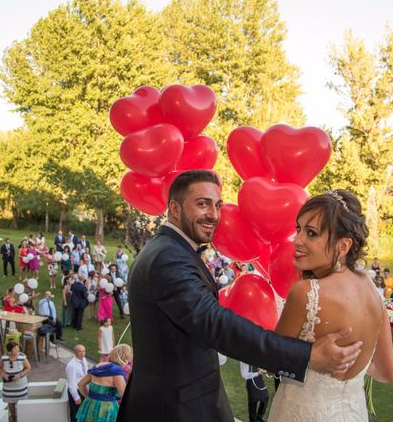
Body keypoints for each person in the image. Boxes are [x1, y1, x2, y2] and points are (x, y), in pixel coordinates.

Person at [117, 171, 364, 422]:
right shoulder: (168, 259)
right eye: (202, 204)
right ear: (175, 208)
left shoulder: (167, 249)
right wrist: (306, 355)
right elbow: (217, 325)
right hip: (177, 408)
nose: (213, 214)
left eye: (217, 205)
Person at [268, 189, 393, 422]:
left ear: (343, 245)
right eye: (299, 229)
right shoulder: (370, 288)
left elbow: (271, 364)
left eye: (312, 233)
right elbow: (388, 373)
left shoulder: (306, 293)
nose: (297, 240)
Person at [77, 344, 130, 422]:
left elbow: (80, 384)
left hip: (89, 404)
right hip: (106, 410)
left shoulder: (98, 367)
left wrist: (89, 396)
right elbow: (125, 396)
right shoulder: (116, 373)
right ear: (125, 359)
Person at [0, 341, 31, 422]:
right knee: (10, 402)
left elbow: (28, 368)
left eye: (17, 347)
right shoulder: (4, 358)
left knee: (20, 403)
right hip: (9, 386)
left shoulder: (22, 357)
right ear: (10, 351)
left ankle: (20, 417)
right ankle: (13, 418)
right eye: (15, 348)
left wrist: (20, 375)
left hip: (20, 385)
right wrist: (3, 374)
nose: (17, 349)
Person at [65, 344, 89, 422]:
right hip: (76, 391)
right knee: (76, 414)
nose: (82, 353)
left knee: (83, 412)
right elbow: (71, 383)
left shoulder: (84, 360)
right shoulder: (71, 365)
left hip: (83, 389)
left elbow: (85, 373)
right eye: (80, 352)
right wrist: (76, 397)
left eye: (83, 351)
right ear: (75, 352)